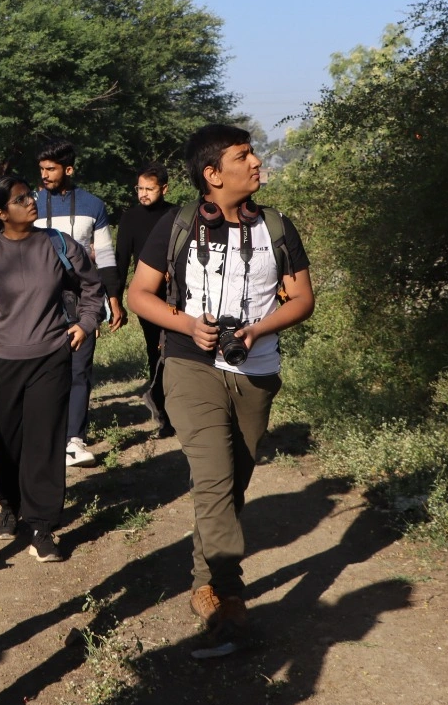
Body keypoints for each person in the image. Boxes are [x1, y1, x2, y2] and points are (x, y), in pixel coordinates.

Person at [127, 124, 314, 645]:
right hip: (191, 365)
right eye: (243, 156)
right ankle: (229, 597)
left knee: (232, 486)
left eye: (253, 154)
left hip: (256, 373)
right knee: (213, 480)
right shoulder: (178, 224)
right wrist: (187, 323)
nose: (256, 162)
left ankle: (202, 582)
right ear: (212, 174)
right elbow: (139, 293)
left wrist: (258, 329)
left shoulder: (276, 226)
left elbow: (302, 299)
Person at [0, 175, 105, 563]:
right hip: (1, 361)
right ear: (1, 213)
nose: (31, 202)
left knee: (45, 441)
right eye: (19, 199)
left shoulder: (58, 243)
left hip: (51, 356)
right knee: (4, 440)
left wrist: (86, 323)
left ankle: (41, 524)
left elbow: (92, 287)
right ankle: (9, 503)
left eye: (29, 195)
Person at [32, 140, 124, 467]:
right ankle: (48, 436)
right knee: (43, 370)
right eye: (41, 169)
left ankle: (75, 440)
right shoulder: (29, 204)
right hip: (39, 301)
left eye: (51, 169)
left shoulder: (93, 205)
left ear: (68, 169)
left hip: (82, 298)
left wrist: (113, 299)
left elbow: (107, 256)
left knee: (79, 369)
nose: (44, 175)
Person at [115, 163, 177, 436]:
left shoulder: (177, 215)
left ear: (164, 189)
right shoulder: (130, 218)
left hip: (178, 295)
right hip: (148, 296)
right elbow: (120, 261)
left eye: (149, 189)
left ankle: (181, 408)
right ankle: (163, 414)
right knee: (156, 350)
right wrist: (115, 299)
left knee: (178, 351)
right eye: (139, 188)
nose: (143, 193)